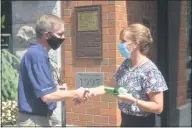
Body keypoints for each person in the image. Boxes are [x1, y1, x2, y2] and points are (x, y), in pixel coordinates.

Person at [87, 23, 168, 127]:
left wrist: (133, 101)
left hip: (143, 123)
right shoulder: (126, 64)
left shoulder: (150, 71)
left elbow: (158, 107)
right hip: (125, 120)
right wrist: (90, 91)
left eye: (124, 41)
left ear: (136, 43)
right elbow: (111, 88)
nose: (120, 44)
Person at [17, 14, 90, 127]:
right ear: (46, 35)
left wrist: (56, 89)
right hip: (34, 121)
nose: (63, 37)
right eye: (60, 34)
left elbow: (38, 88)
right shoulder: (37, 55)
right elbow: (46, 96)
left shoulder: (38, 53)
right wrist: (76, 93)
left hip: (37, 118)